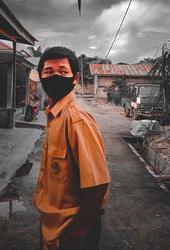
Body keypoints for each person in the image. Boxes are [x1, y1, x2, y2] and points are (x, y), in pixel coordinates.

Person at [34, 46, 110, 250]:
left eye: (63, 71)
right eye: (49, 71)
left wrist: (77, 233)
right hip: (51, 226)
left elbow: (97, 185)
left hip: (71, 232)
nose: (56, 76)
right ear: (41, 77)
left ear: (74, 78)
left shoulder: (77, 120)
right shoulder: (54, 116)